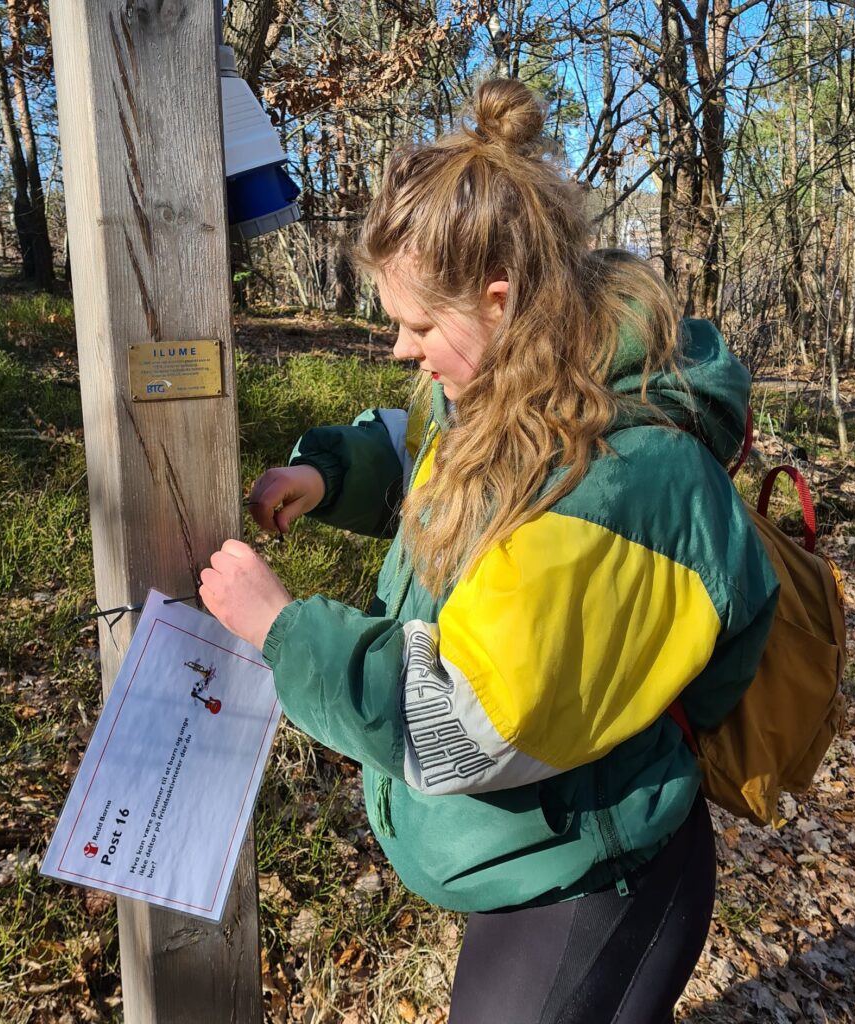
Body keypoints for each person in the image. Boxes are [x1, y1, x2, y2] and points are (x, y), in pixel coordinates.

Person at [199, 79, 779, 1024]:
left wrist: (284, 630)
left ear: (500, 301)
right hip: (542, 841)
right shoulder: (514, 384)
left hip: (598, 874)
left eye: (420, 325)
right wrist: (332, 474)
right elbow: (432, 449)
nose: (399, 347)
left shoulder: (611, 485)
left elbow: (457, 720)